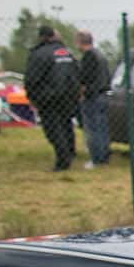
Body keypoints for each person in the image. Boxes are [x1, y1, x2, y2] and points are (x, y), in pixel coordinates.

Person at [23, 25, 80, 171]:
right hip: (68, 96)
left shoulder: (39, 54)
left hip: (48, 98)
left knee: (53, 129)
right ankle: (70, 152)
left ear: (42, 37)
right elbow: (77, 73)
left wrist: (33, 96)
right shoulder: (67, 53)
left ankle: (63, 160)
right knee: (66, 125)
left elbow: (31, 78)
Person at [73, 30, 111, 168]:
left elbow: (84, 78)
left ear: (79, 42)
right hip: (103, 94)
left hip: (92, 96)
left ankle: (96, 159)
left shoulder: (88, 57)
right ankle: (104, 156)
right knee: (102, 128)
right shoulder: (100, 55)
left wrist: (82, 91)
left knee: (92, 129)